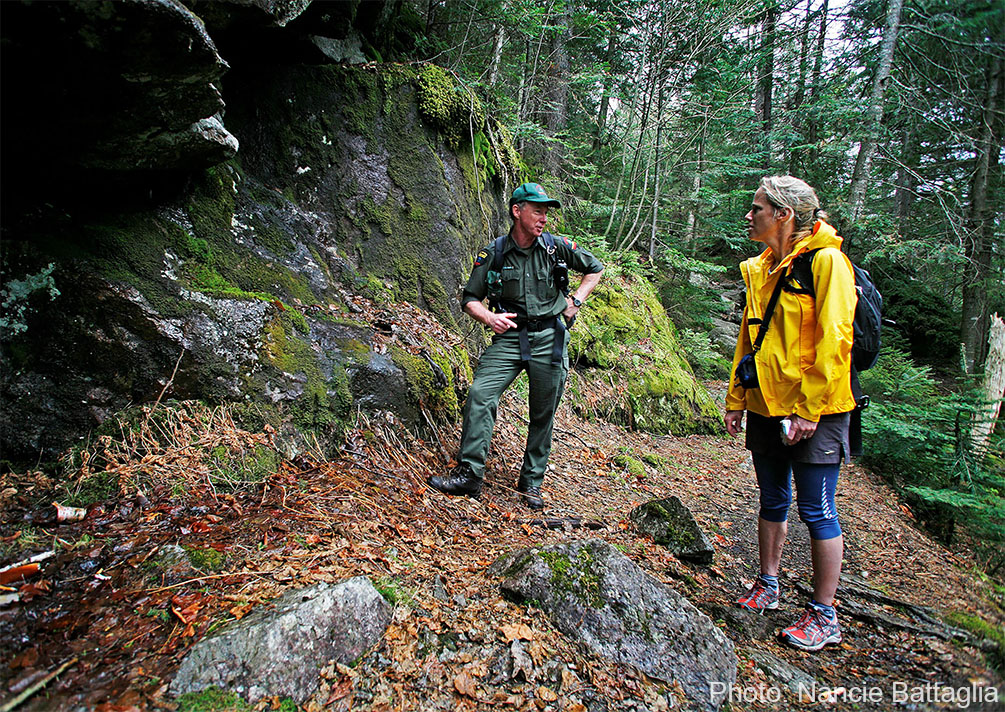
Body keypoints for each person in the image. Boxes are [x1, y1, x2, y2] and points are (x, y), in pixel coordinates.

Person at [724, 176, 857, 652]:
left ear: (783, 214)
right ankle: (768, 584)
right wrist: (736, 400)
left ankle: (825, 614)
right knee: (771, 499)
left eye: (757, 208)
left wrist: (810, 409)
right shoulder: (762, 267)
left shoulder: (827, 263)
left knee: (817, 509)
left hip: (817, 410)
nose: (750, 215)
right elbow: (750, 338)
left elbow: (835, 339)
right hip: (765, 403)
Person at [428, 183, 604, 509]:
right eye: (537, 211)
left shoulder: (557, 247)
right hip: (509, 337)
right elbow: (470, 299)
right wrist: (488, 318)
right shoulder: (494, 252)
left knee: (543, 413)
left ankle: (531, 483)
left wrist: (576, 300)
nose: (543, 219)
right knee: (481, 393)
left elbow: (595, 268)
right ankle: (470, 474)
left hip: (550, 337)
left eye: (546, 212)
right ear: (517, 211)